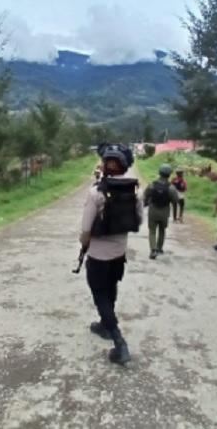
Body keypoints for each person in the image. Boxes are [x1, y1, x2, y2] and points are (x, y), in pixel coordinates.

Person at [79, 142, 143, 364]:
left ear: (104, 166)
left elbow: (86, 228)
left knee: (99, 293)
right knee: (111, 287)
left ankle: (119, 341)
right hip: (119, 253)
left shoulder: (96, 192)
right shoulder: (135, 190)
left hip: (98, 254)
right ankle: (104, 325)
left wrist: (84, 245)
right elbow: (139, 220)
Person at [144, 164, 179, 259]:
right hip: (164, 212)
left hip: (153, 211)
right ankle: (159, 248)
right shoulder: (171, 188)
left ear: (159, 173)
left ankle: (153, 250)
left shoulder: (152, 185)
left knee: (152, 231)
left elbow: (145, 195)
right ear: (169, 175)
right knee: (162, 230)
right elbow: (175, 200)